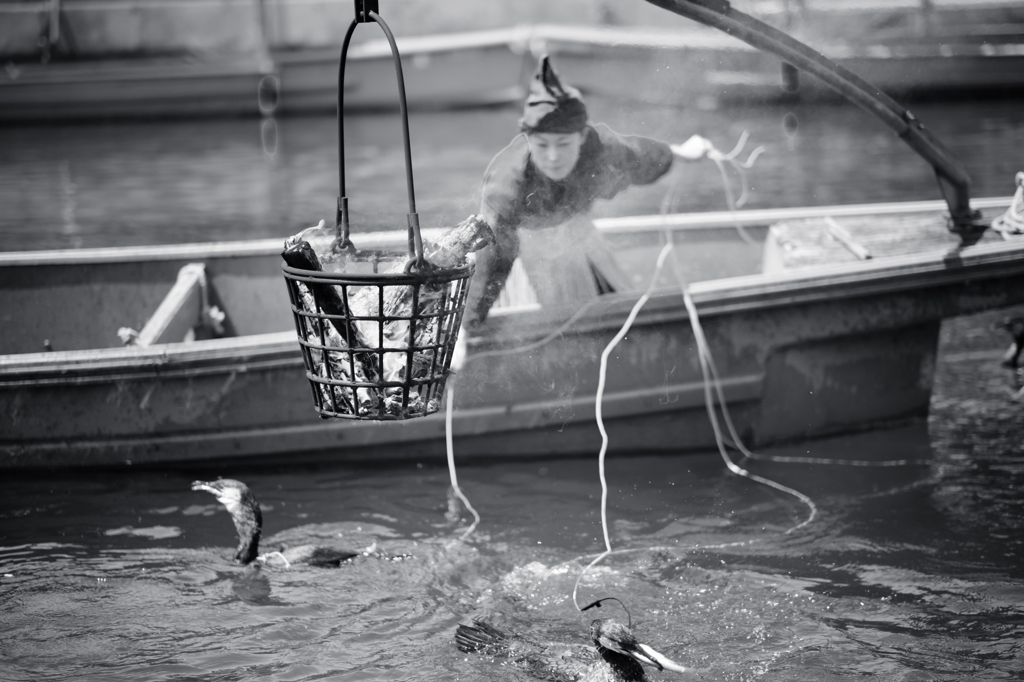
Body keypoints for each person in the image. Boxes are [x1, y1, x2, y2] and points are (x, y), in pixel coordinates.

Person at [461, 54, 716, 329]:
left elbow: (642, 156)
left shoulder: (601, 150)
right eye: (542, 145)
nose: (553, 156)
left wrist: (679, 153)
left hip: (579, 240)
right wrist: (468, 325)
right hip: (525, 254)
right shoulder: (507, 184)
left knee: (624, 322)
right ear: (528, 138)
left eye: (563, 143)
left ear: (581, 136)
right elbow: (493, 262)